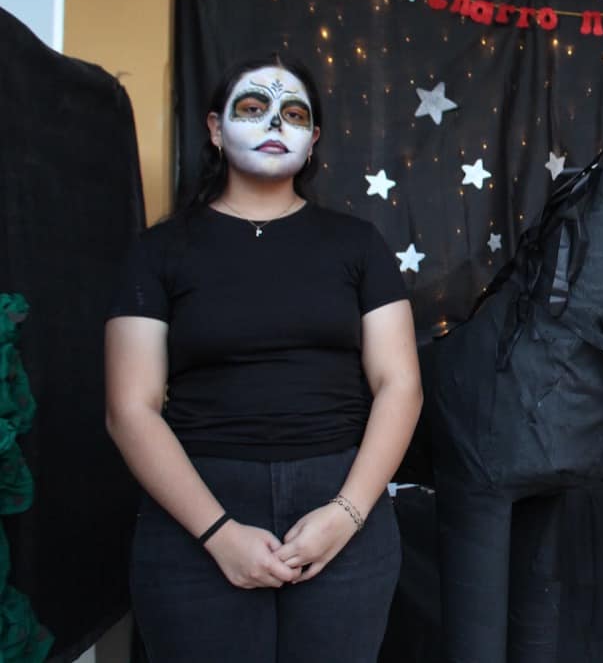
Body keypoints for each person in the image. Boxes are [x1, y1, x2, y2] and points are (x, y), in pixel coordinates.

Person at [104, 55, 422, 662]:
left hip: (341, 498)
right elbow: (129, 408)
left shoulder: (358, 244)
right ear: (216, 129)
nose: (275, 122)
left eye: (294, 114)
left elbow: (400, 384)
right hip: (195, 504)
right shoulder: (160, 250)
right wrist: (218, 533)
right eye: (253, 108)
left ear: (313, 141)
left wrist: (346, 515)